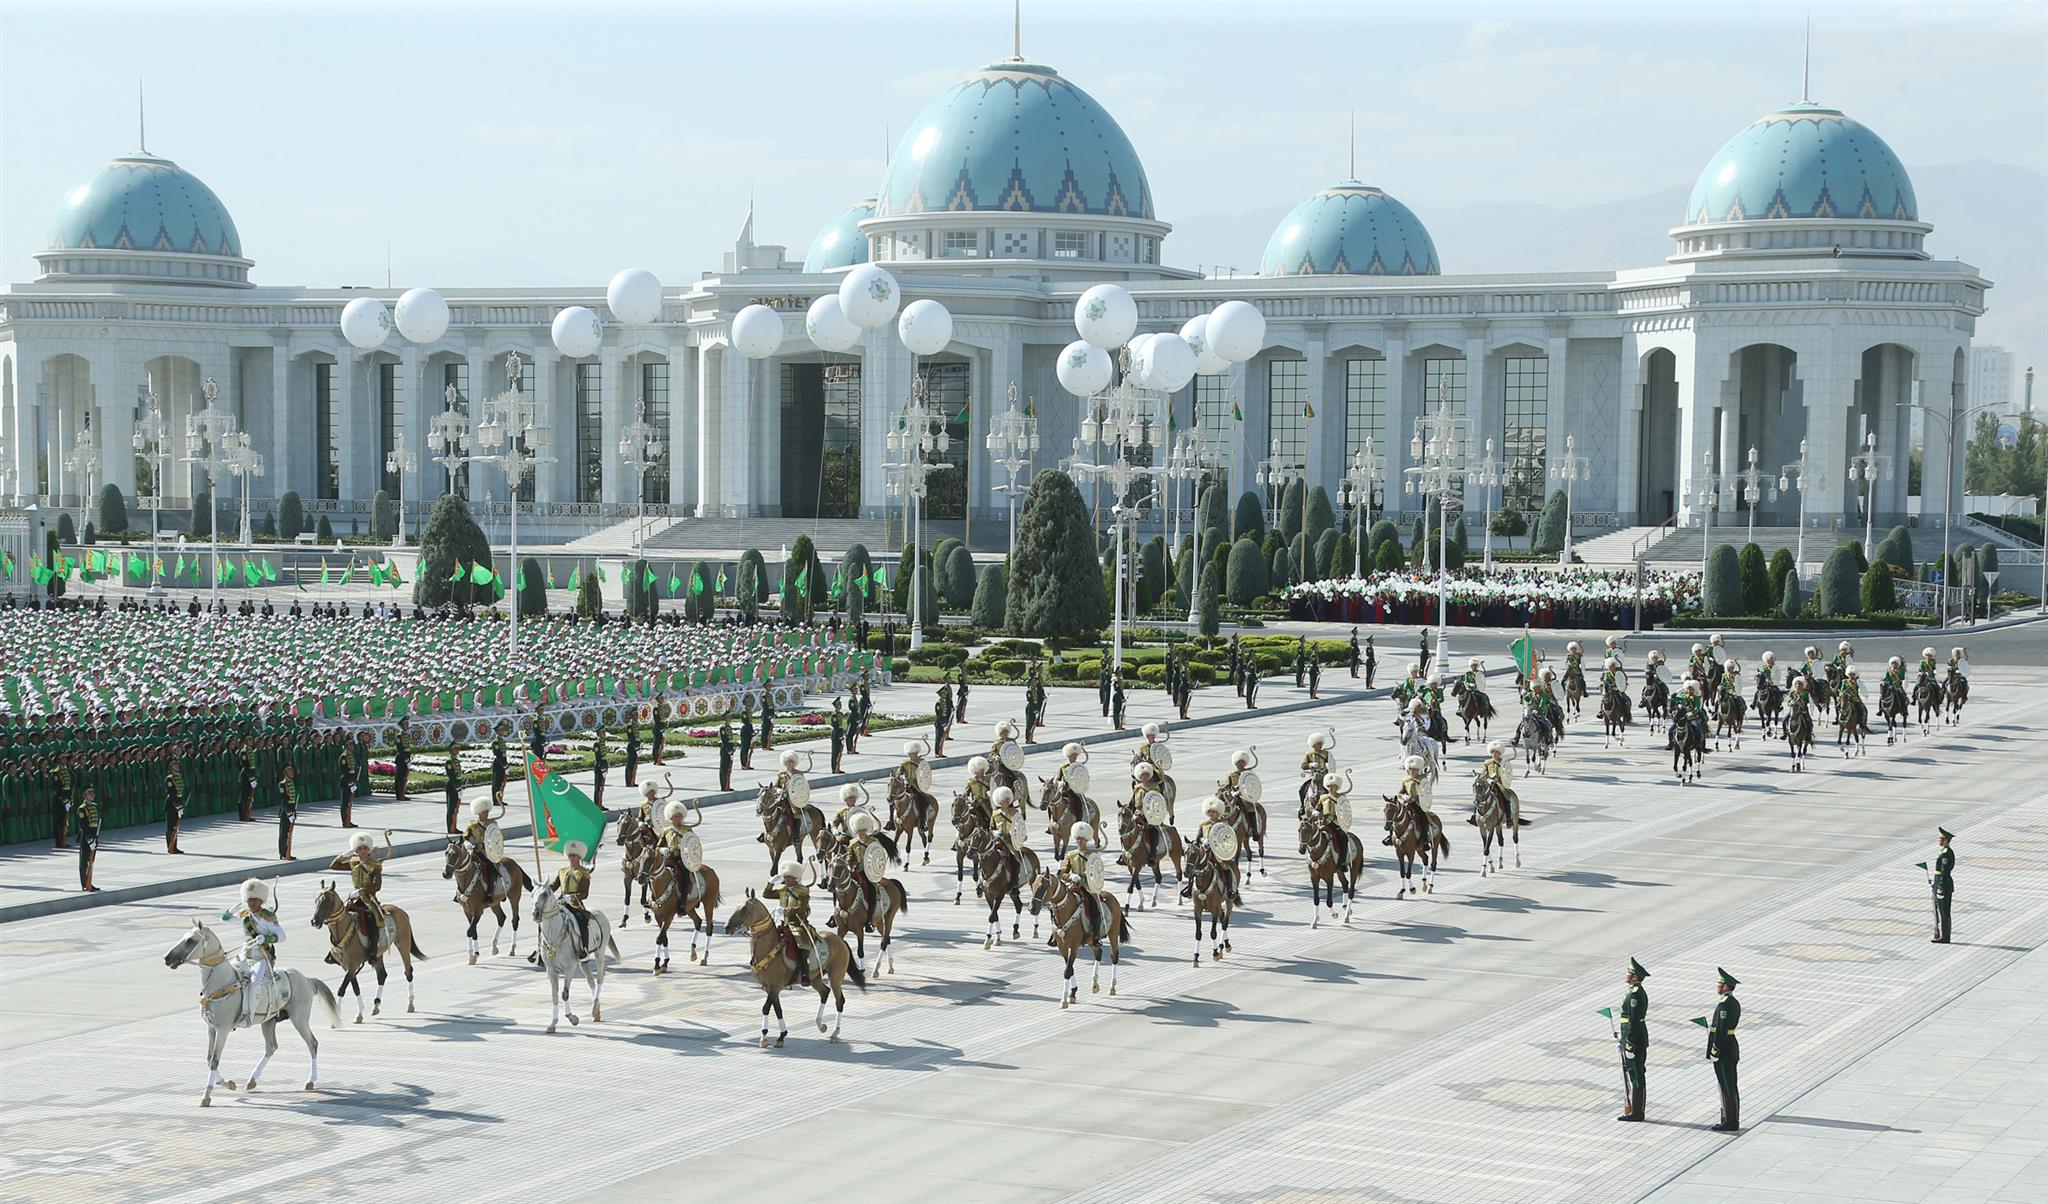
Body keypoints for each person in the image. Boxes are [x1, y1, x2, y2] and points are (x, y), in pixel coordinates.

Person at [232, 878, 285, 1026]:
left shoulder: (268, 917)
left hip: (261, 957)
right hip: (244, 955)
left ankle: (248, 1015)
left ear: (261, 901)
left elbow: (282, 935)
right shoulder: (244, 915)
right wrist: (229, 912)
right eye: (250, 900)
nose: (252, 903)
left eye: (255, 900)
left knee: (255, 982)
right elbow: (226, 919)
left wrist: (266, 937)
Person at [765, 856, 817, 985]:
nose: (787, 880)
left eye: (789, 877)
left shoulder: (802, 891)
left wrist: (786, 910)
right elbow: (766, 894)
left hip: (798, 923)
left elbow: (801, 908)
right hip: (784, 923)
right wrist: (770, 882)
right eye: (785, 877)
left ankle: (804, 973)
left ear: (795, 878)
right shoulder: (783, 890)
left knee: (801, 945)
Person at [343, 829, 393, 952]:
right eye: (359, 849)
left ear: (368, 849)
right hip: (354, 898)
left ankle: (373, 950)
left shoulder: (375, 865)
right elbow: (333, 865)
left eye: (365, 848)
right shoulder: (353, 862)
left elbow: (377, 886)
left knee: (372, 920)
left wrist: (361, 892)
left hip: (369, 899)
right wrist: (345, 855)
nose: (362, 851)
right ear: (356, 850)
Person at [1706, 968, 1742, 1131]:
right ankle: (1730, 1119)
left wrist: (1715, 1050)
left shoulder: (1726, 1005)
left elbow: (1721, 1030)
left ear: (1726, 987)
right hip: (1728, 1048)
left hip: (1724, 1050)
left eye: (1720, 983)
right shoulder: (1730, 1002)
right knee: (1729, 1084)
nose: (1717, 985)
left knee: (1727, 1085)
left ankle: (1731, 1122)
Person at [1196, 795, 1243, 906]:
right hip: (1205, 852)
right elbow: (1197, 838)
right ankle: (1190, 889)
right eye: (1210, 812)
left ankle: (1231, 889)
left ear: (1219, 812)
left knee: (1225, 867)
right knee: (1194, 868)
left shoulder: (1223, 825)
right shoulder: (1203, 824)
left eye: (1214, 812)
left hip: (1218, 853)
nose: (1211, 814)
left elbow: (1228, 838)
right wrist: (1202, 841)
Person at [552, 839, 596, 957]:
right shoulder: (562, 871)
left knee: (582, 923)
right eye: (570, 856)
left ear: (579, 858)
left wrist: (573, 897)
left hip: (575, 904)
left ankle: (584, 949)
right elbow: (554, 886)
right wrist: (543, 888)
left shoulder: (583, 874)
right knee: (545, 919)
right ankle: (541, 950)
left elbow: (585, 893)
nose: (571, 858)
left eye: (574, 856)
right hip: (560, 902)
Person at [1060, 821, 1104, 940]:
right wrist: (1071, 876)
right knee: (1058, 906)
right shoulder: (1070, 855)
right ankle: (1056, 934)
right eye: (1078, 839)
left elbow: (1098, 872)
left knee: (1095, 908)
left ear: (1087, 840)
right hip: (1074, 887)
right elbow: (1062, 874)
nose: (1080, 841)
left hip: (1089, 887)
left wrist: (1089, 877)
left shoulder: (1092, 855)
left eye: (1083, 839)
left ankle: (1095, 936)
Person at [1617, 958, 1649, 1121]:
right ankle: (1636, 1111)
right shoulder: (1633, 991)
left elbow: (1634, 1021)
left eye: (1629, 973)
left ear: (1635, 976)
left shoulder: (1635, 994)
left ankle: (1637, 1112)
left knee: (1637, 1075)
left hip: (1635, 1040)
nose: (1627, 975)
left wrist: (1629, 1044)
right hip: (1631, 1038)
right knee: (1634, 1074)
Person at [74, 785, 102, 891]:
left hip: (94, 836)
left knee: (91, 860)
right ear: (85, 796)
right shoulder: (82, 809)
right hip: (86, 837)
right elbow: (84, 826)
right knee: (85, 861)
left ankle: (89, 881)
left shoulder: (94, 806)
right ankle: (85, 883)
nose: (93, 795)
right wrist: (90, 840)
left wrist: (95, 838)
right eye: (90, 793)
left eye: (93, 793)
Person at [1931, 827, 1955, 943]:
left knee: (1944, 911)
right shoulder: (1945, 851)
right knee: (1942, 911)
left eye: (1941, 838)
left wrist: (1940, 886)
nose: (1939, 840)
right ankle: (1945, 936)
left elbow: (1945, 872)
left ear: (1945, 840)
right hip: (1941, 883)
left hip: (1944, 885)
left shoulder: (1946, 853)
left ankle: (1945, 937)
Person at [163, 747, 187, 854]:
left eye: (177, 765)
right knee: (171, 826)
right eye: (175, 765)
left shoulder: (179, 776)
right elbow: (171, 793)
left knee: (176, 826)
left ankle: (175, 846)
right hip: (171, 804)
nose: (177, 766)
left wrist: (181, 804)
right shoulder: (170, 778)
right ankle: (170, 847)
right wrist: (177, 805)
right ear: (170, 767)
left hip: (178, 804)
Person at [277, 764, 298, 861]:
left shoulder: (292, 782)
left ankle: (288, 852)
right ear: (285, 773)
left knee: (289, 833)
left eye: (292, 771)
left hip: (291, 810)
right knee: (283, 833)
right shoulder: (283, 784)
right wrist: (288, 813)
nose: (292, 773)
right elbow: (284, 800)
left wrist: (293, 812)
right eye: (290, 771)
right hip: (286, 812)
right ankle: (283, 853)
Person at [443, 751, 463, 834]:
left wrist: (460, 786)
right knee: (451, 809)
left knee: (456, 808)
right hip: (452, 786)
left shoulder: (456, 761)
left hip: (457, 785)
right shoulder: (449, 762)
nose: (457, 751)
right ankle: (451, 828)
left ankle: (454, 827)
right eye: (455, 749)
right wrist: (457, 787)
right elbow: (451, 776)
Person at [392, 716, 412, 800]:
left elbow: (408, 748)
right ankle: (399, 795)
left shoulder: (407, 735)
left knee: (404, 777)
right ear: (401, 726)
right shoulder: (399, 736)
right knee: (399, 777)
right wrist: (406, 759)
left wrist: (409, 758)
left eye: (407, 723)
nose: (407, 725)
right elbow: (400, 749)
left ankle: (402, 793)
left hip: (407, 758)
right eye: (405, 724)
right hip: (401, 759)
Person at [590, 730, 609, 809]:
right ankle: (597, 805)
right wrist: (602, 768)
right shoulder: (597, 743)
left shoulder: (602, 742)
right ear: (599, 734)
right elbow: (598, 757)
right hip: (599, 767)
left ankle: (600, 804)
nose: (604, 734)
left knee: (601, 787)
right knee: (599, 787)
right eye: (602, 732)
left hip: (603, 766)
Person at [932, 685, 951, 756]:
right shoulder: (939, 703)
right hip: (939, 723)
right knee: (938, 738)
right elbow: (939, 714)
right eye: (943, 693)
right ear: (940, 695)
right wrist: (942, 722)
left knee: (942, 738)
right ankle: (937, 753)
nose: (945, 694)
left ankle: (940, 752)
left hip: (943, 722)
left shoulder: (945, 702)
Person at [718, 719, 736, 791]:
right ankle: (724, 786)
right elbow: (724, 740)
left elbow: (730, 739)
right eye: (728, 717)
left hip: (730, 747)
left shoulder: (729, 727)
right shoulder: (723, 728)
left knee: (729, 767)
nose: (729, 719)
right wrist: (729, 750)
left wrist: (732, 747)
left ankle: (727, 785)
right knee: (724, 768)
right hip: (725, 749)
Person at [829, 699, 846, 774]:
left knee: (839, 751)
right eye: (839, 704)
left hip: (840, 733)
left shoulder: (840, 713)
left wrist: (842, 734)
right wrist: (840, 735)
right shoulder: (834, 715)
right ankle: (834, 768)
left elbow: (841, 725)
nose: (841, 705)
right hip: (836, 734)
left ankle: (838, 767)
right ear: (836, 705)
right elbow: (835, 725)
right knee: (835, 752)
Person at [624, 722, 641, 789]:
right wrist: (636, 747)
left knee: (634, 764)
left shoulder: (635, 725)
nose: (636, 717)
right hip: (632, 747)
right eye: (635, 715)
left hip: (636, 745)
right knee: (630, 764)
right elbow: (631, 738)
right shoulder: (630, 726)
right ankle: (629, 781)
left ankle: (633, 781)